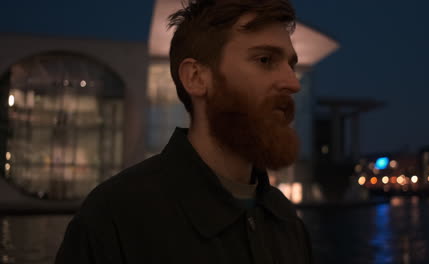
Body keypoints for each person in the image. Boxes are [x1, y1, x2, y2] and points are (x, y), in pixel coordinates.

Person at [55, 0, 313, 263]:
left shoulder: (286, 220)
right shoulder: (114, 218)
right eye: (265, 60)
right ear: (196, 78)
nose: (292, 83)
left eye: (291, 65)